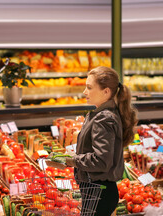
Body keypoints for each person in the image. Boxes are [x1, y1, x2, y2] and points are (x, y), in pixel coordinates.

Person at [66, 66, 137, 216]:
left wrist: (71, 160)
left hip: (99, 192)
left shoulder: (104, 118)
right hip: (97, 191)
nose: (84, 92)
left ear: (106, 91)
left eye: (89, 87)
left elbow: (101, 160)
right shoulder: (102, 114)